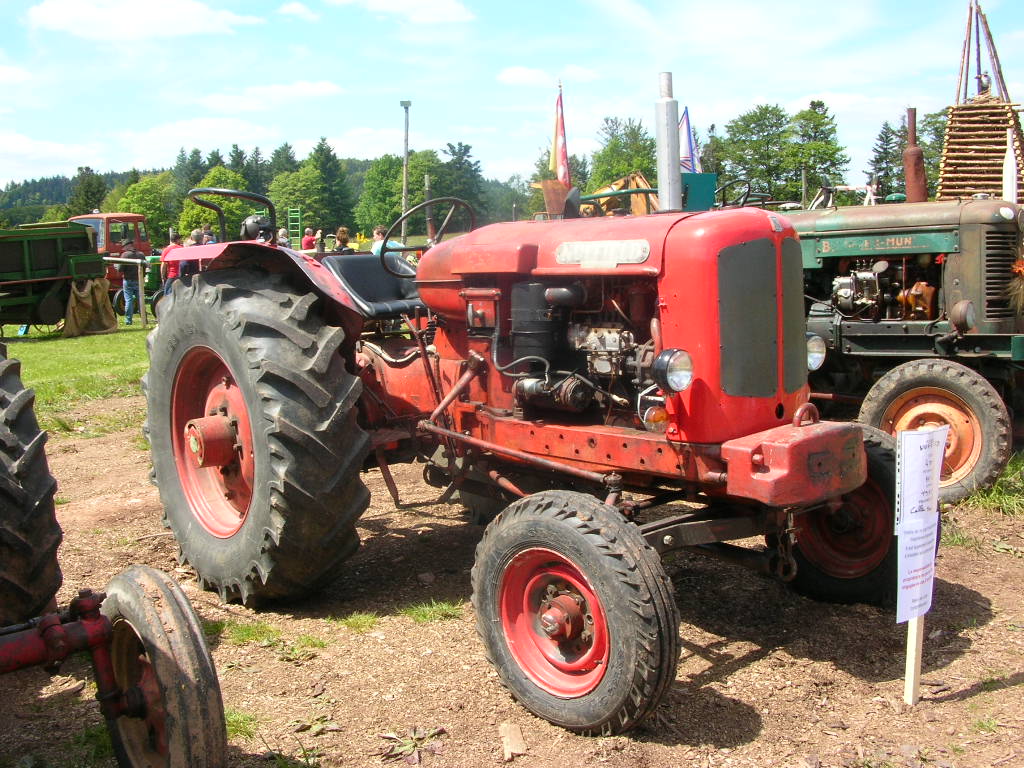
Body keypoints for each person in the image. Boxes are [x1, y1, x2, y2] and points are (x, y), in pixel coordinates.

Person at [119, 239, 147, 325]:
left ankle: (128, 321)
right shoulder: (141, 254)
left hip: (128, 280)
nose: (123, 249)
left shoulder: (125, 255)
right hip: (139, 280)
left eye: (124, 247)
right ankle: (144, 319)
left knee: (128, 300)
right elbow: (145, 267)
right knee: (141, 300)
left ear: (127, 246)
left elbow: (120, 269)